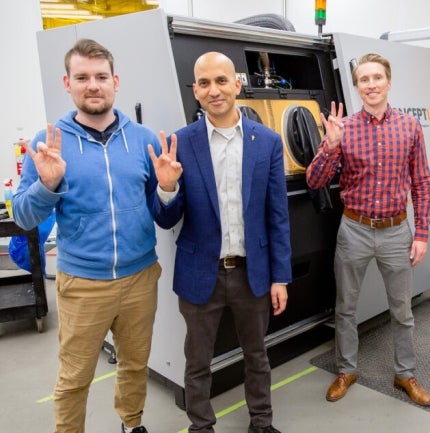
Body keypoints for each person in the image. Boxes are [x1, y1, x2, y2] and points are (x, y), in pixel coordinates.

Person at [12, 39, 180, 433]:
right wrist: (47, 185)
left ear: (115, 81)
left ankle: (131, 423)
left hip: (140, 278)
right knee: (75, 377)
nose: (93, 85)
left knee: (135, 365)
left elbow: (164, 216)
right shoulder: (49, 141)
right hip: (83, 284)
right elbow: (23, 216)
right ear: (67, 83)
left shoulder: (142, 140)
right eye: (82, 77)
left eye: (101, 77)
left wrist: (168, 190)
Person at [151, 52, 291, 433]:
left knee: (257, 355)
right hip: (201, 274)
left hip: (253, 273)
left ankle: (261, 423)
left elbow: (277, 216)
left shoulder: (268, 143)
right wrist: (167, 186)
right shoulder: (181, 142)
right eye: (205, 83)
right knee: (197, 361)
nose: (214, 90)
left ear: (237, 84)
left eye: (221, 81)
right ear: (195, 90)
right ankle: (201, 427)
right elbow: (166, 219)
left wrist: (280, 277)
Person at [306, 53, 430, 406]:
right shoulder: (343, 128)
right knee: (345, 307)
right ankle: (346, 370)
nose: (371, 84)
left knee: (402, 310)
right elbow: (314, 180)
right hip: (354, 230)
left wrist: (421, 233)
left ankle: (405, 374)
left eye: (377, 78)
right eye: (364, 79)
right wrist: (331, 147)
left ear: (388, 83)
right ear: (357, 86)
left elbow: (422, 182)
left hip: (396, 232)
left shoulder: (409, 127)